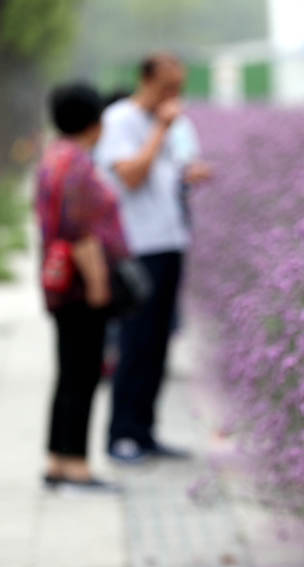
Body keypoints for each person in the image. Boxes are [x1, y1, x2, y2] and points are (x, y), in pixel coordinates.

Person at [95, 52, 211, 463]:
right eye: (167, 88)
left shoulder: (157, 125)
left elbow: (162, 174)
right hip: (138, 247)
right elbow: (129, 176)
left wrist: (187, 173)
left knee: (159, 343)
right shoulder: (120, 120)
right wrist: (161, 129)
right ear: (145, 80)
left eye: (178, 89)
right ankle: (121, 435)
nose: (173, 97)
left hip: (169, 241)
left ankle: (145, 431)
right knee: (135, 342)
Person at [36, 82, 129, 490]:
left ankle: (58, 460)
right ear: (94, 121)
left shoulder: (53, 156)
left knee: (68, 371)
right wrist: (97, 283)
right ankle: (75, 465)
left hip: (57, 281)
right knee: (83, 373)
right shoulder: (77, 164)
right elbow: (81, 231)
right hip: (79, 285)